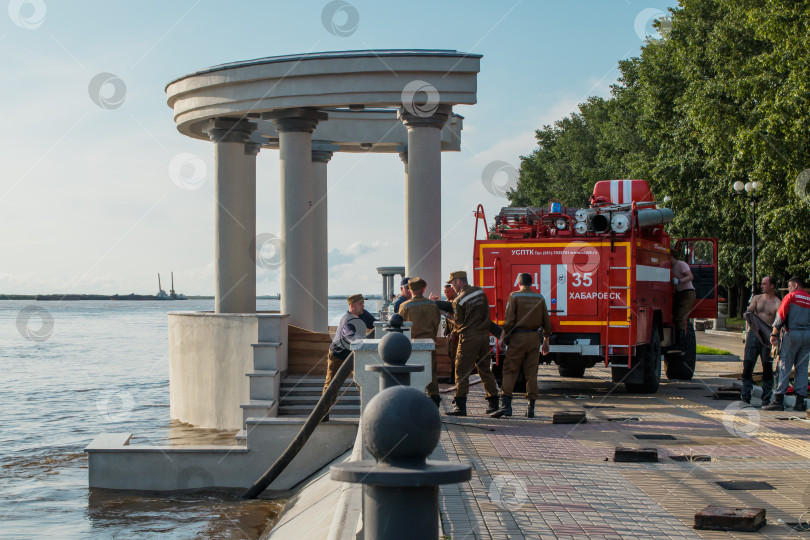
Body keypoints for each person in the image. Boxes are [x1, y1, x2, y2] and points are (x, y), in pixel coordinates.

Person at [491, 273, 552, 418]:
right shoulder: (540, 297)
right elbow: (546, 322)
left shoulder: (514, 296)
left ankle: (506, 406)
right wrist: (545, 340)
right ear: (532, 284)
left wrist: (502, 337)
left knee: (510, 370)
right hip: (533, 338)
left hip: (518, 338)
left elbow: (510, 320)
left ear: (519, 283)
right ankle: (530, 408)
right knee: (531, 373)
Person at [445, 270, 500, 416]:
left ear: (458, 281)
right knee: (485, 370)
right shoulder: (480, 292)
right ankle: (494, 402)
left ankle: (460, 405)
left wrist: (445, 314)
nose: (452, 287)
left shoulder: (458, 300)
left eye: (452, 283)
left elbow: (458, 322)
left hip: (468, 338)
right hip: (483, 336)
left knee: (461, 370)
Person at [322, 294, 377, 420]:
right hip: (338, 356)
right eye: (360, 304)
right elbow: (351, 336)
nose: (363, 306)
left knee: (363, 382)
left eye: (363, 303)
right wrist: (367, 342)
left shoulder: (362, 314)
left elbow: (375, 324)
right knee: (331, 385)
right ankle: (322, 413)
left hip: (353, 355)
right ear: (352, 306)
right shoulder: (347, 320)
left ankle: (369, 414)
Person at [765, 276, 810, 411]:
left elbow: (781, 316)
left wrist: (774, 334)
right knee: (802, 368)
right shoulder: (809, 299)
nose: (789, 288)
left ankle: (778, 401)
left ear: (796, 285)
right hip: (807, 335)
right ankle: (800, 402)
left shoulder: (791, 297)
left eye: (790, 286)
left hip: (792, 334)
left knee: (785, 366)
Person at [398, 277, 442, 406]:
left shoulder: (404, 306)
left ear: (410, 290)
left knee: (412, 373)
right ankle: (434, 399)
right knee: (430, 371)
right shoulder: (433, 304)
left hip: (411, 345)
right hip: (430, 343)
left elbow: (400, 326)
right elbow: (436, 323)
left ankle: (414, 399)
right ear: (423, 289)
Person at [740, 276, 780, 404]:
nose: (762, 286)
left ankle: (766, 398)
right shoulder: (757, 298)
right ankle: (745, 396)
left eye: (764, 284)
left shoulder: (777, 303)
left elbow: (779, 322)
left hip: (767, 339)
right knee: (747, 365)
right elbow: (749, 311)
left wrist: (776, 339)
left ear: (772, 286)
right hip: (753, 336)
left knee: (767, 368)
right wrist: (748, 314)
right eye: (761, 284)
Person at [671, 248, 696, 346]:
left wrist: (679, 281)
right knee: (676, 316)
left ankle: (681, 342)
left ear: (671, 256)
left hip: (687, 293)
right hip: (680, 294)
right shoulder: (672, 266)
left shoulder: (681, 264)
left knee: (681, 316)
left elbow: (690, 276)